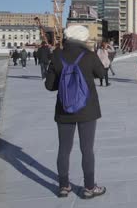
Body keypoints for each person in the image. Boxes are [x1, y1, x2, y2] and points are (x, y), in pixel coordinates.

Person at [44, 25, 106, 199]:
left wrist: (64, 83)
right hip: (87, 109)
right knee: (87, 149)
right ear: (83, 39)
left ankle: (64, 186)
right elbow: (101, 73)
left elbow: (49, 86)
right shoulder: (89, 55)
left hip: (64, 109)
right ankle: (89, 188)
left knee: (64, 148)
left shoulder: (57, 55)